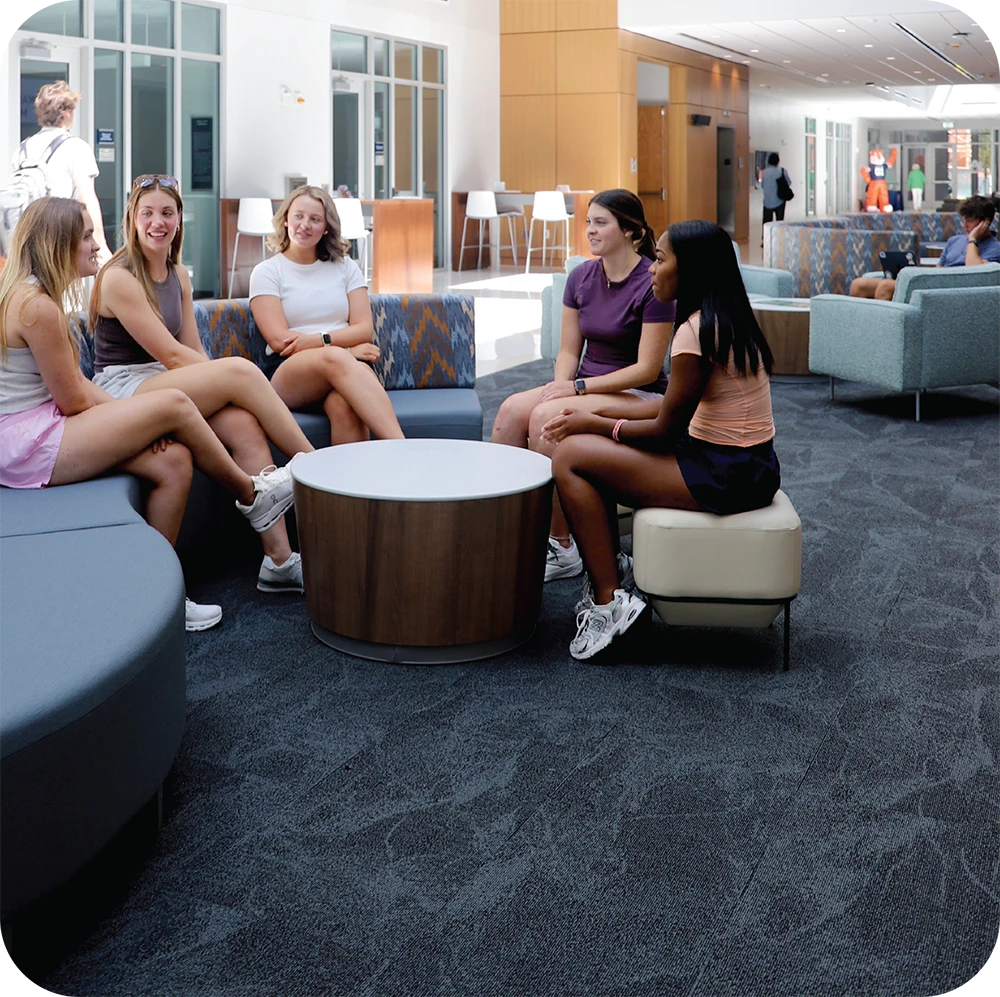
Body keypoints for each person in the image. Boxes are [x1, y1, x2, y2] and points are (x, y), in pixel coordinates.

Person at [0, 197, 298, 631]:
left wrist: (134, 422)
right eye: (85, 236)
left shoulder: (37, 297)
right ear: (59, 243)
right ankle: (254, 494)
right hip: (28, 442)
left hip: (44, 427)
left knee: (174, 461)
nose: (96, 246)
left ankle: (156, 598)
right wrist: (140, 421)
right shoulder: (36, 306)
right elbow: (74, 401)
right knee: (174, 405)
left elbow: (79, 387)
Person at [540, 220, 780, 661]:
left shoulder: (694, 333)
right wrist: (598, 413)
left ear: (690, 270)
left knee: (571, 457)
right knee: (587, 448)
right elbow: (673, 405)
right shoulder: (726, 317)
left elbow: (664, 431)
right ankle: (611, 573)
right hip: (749, 465)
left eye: (662, 259)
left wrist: (594, 426)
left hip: (724, 473)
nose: (651, 268)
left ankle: (610, 602)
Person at [89, 175, 315, 594]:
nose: (159, 222)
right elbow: (174, 356)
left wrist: (220, 385)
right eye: (148, 213)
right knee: (243, 372)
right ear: (132, 220)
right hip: (124, 387)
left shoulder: (178, 274)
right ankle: (315, 463)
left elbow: (191, 349)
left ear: (179, 220)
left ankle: (280, 562)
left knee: (244, 423)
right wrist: (228, 379)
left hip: (165, 379)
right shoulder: (119, 276)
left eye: (168, 213)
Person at [491, 189, 674, 582]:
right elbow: (568, 351)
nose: (589, 230)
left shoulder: (652, 283)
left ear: (631, 231)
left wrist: (577, 390)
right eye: (588, 222)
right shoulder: (580, 277)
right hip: (583, 386)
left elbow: (646, 369)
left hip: (637, 393)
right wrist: (562, 384)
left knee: (544, 417)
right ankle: (513, 531)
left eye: (600, 223)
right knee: (509, 412)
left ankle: (563, 545)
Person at [248, 185, 404, 444]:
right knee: (335, 359)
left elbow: (364, 329)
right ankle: (404, 450)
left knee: (345, 406)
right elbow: (280, 341)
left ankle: (347, 484)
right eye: (298, 216)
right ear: (285, 219)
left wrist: (316, 341)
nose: (304, 225)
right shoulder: (267, 272)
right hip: (290, 371)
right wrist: (345, 351)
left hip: (347, 367)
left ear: (327, 227)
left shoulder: (346, 267)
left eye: (315, 219)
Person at [9, 82, 111, 266]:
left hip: (27, 239)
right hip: (61, 237)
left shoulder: (22, 149)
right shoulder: (75, 147)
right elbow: (86, 197)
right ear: (67, 113)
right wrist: (100, 243)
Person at [850, 194, 1000, 301]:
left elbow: (974, 273)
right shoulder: (954, 240)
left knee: (886, 286)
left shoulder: (994, 247)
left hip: (951, 290)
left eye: (970, 221)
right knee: (859, 285)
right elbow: (938, 269)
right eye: (963, 220)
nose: (965, 226)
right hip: (935, 282)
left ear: (985, 222)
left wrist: (972, 240)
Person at [761, 153, 789, 225]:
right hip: (780, 200)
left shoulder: (765, 172)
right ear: (778, 161)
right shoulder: (782, 171)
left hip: (767, 201)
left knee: (767, 223)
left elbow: (762, 185)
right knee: (779, 223)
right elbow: (788, 183)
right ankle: (779, 235)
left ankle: (766, 236)